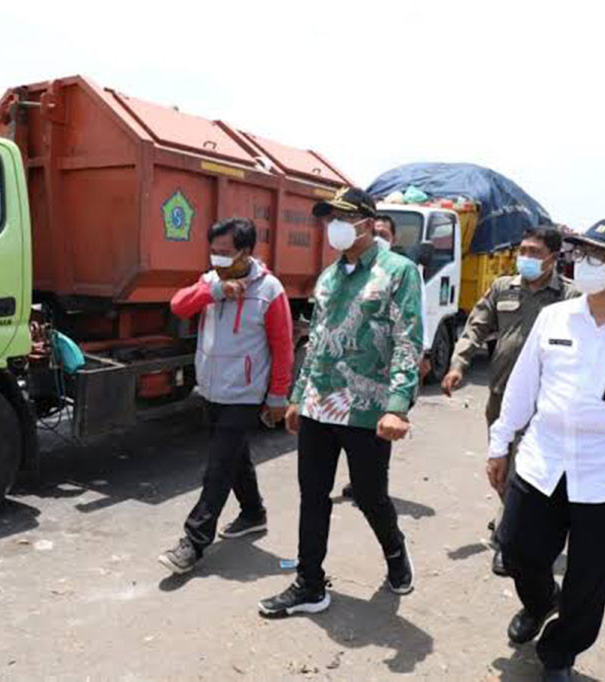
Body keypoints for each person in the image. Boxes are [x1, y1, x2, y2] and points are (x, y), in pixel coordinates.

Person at [489, 219, 605, 682]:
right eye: (583, 253)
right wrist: (500, 444)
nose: (585, 264)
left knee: (589, 582)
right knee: (516, 551)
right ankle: (539, 604)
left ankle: (559, 655)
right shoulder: (555, 317)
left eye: (600, 256)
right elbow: (522, 387)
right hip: (541, 462)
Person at [258, 187, 423, 616]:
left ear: (367, 223)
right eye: (329, 218)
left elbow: (408, 342)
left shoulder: (398, 272)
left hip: (368, 408)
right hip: (319, 404)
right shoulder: (329, 277)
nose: (334, 226)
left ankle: (394, 551)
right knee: (312, 494)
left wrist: (398, 405)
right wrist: (297, 396)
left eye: (343, 217)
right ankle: (309, 584)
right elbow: (316, 343)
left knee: (370, 496)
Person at [158, 217, 294, 574]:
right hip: (212, 387)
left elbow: (283, 347)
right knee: (235, 456)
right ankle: (253, 513)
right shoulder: (211, 281)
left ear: (246, 252)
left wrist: (278, 395)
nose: (216, 259)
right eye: (213, 252)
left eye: (224, 253)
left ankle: (194, 541)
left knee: (217, 468)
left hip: (245, 392)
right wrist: (214, 291)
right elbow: (178, 305)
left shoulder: (269, 290)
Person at [441, 226, 578, 576]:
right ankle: (512, 517)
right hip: (502, 394)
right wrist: (458, 364)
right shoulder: (504, 286)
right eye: (524, 250)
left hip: (547, 401)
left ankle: (509, 539)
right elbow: (476, 326)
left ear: (553, 256)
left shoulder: (569, 296)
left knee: (527, 469)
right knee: (501, 464)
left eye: (534, 252)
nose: (526, 258)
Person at [341, 213, 430, 499]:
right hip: (357, 369)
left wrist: (422, 355)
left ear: (392, 240)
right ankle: (362, 482)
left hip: (387, 370)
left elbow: (415, 323)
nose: (378, 238)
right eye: (375, 232)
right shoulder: (349, 269)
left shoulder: (403, 272)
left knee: (380, 432)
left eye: (384, 235)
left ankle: (372, 488)